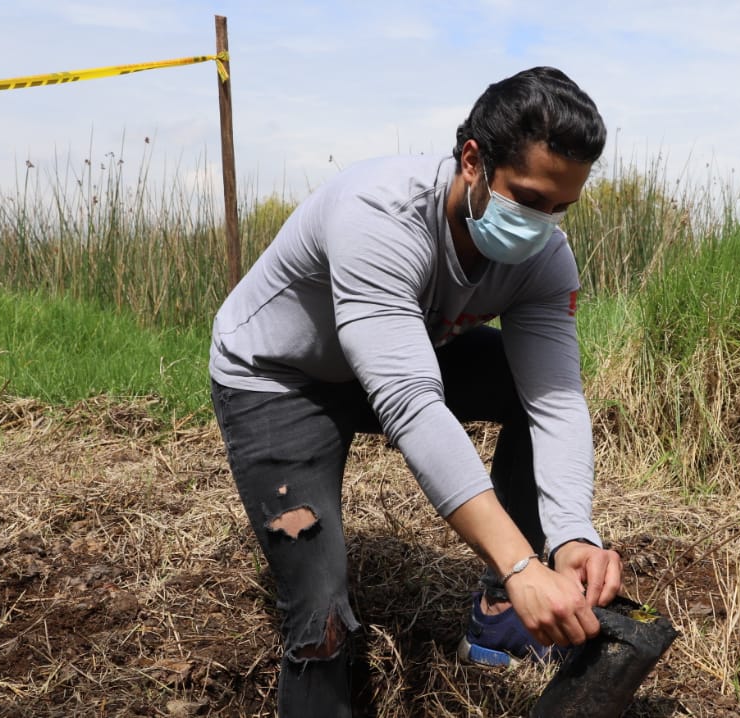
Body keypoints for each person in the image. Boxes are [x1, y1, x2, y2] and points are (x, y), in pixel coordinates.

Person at [208, 66, 624, 717]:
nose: (543, 224)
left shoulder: (543, 259)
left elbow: (554, 400)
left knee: (522, 385)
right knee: (320, 619)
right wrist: (522, 565)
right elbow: (410, 405)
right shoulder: (380, 216)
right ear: (472, 161)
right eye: (529, 198)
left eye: (561, 207)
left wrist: (571, 535)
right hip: (281, 381)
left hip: (398, 357)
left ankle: (496, 617)